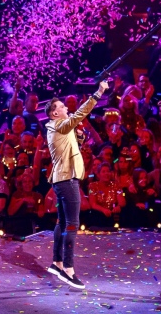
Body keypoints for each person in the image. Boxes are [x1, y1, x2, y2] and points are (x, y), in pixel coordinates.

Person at [44, 80, 108, 290]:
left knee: (62, 223)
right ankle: (68, 270)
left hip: (62, 179)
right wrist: (98, 93)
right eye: (61, 107)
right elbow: (80, 114)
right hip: (67, 180)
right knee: (72, 224)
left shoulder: (60, 128)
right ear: (54, 113)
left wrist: (79, 139)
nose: (65, 108)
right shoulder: (59, 125)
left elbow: (72, 149)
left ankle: (56, 262)